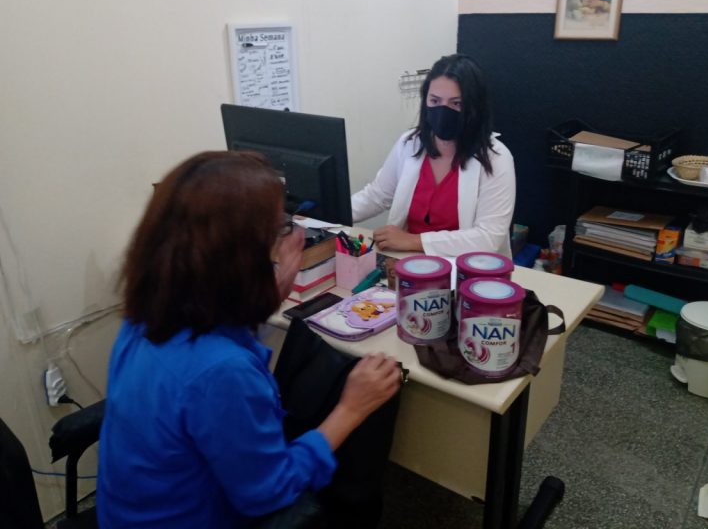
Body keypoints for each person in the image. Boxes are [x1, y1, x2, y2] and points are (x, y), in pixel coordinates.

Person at [97, 151, 402, 528]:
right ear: (240, 258)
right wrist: (352, 408)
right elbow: (271, 491)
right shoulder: (222, 372)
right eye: (281, 228)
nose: (294, 236)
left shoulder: (147, 317)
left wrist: (271, 285)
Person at [351, 54, 516, 257]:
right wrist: (328, 212)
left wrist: (414, 240)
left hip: (467, 267)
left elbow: (488, 238)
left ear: (475, 108)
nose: (443, 111)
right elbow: (376, 196)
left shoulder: (496, 158)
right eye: (435, 100)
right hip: (409, 261)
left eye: (456, 103)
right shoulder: (410, 143)